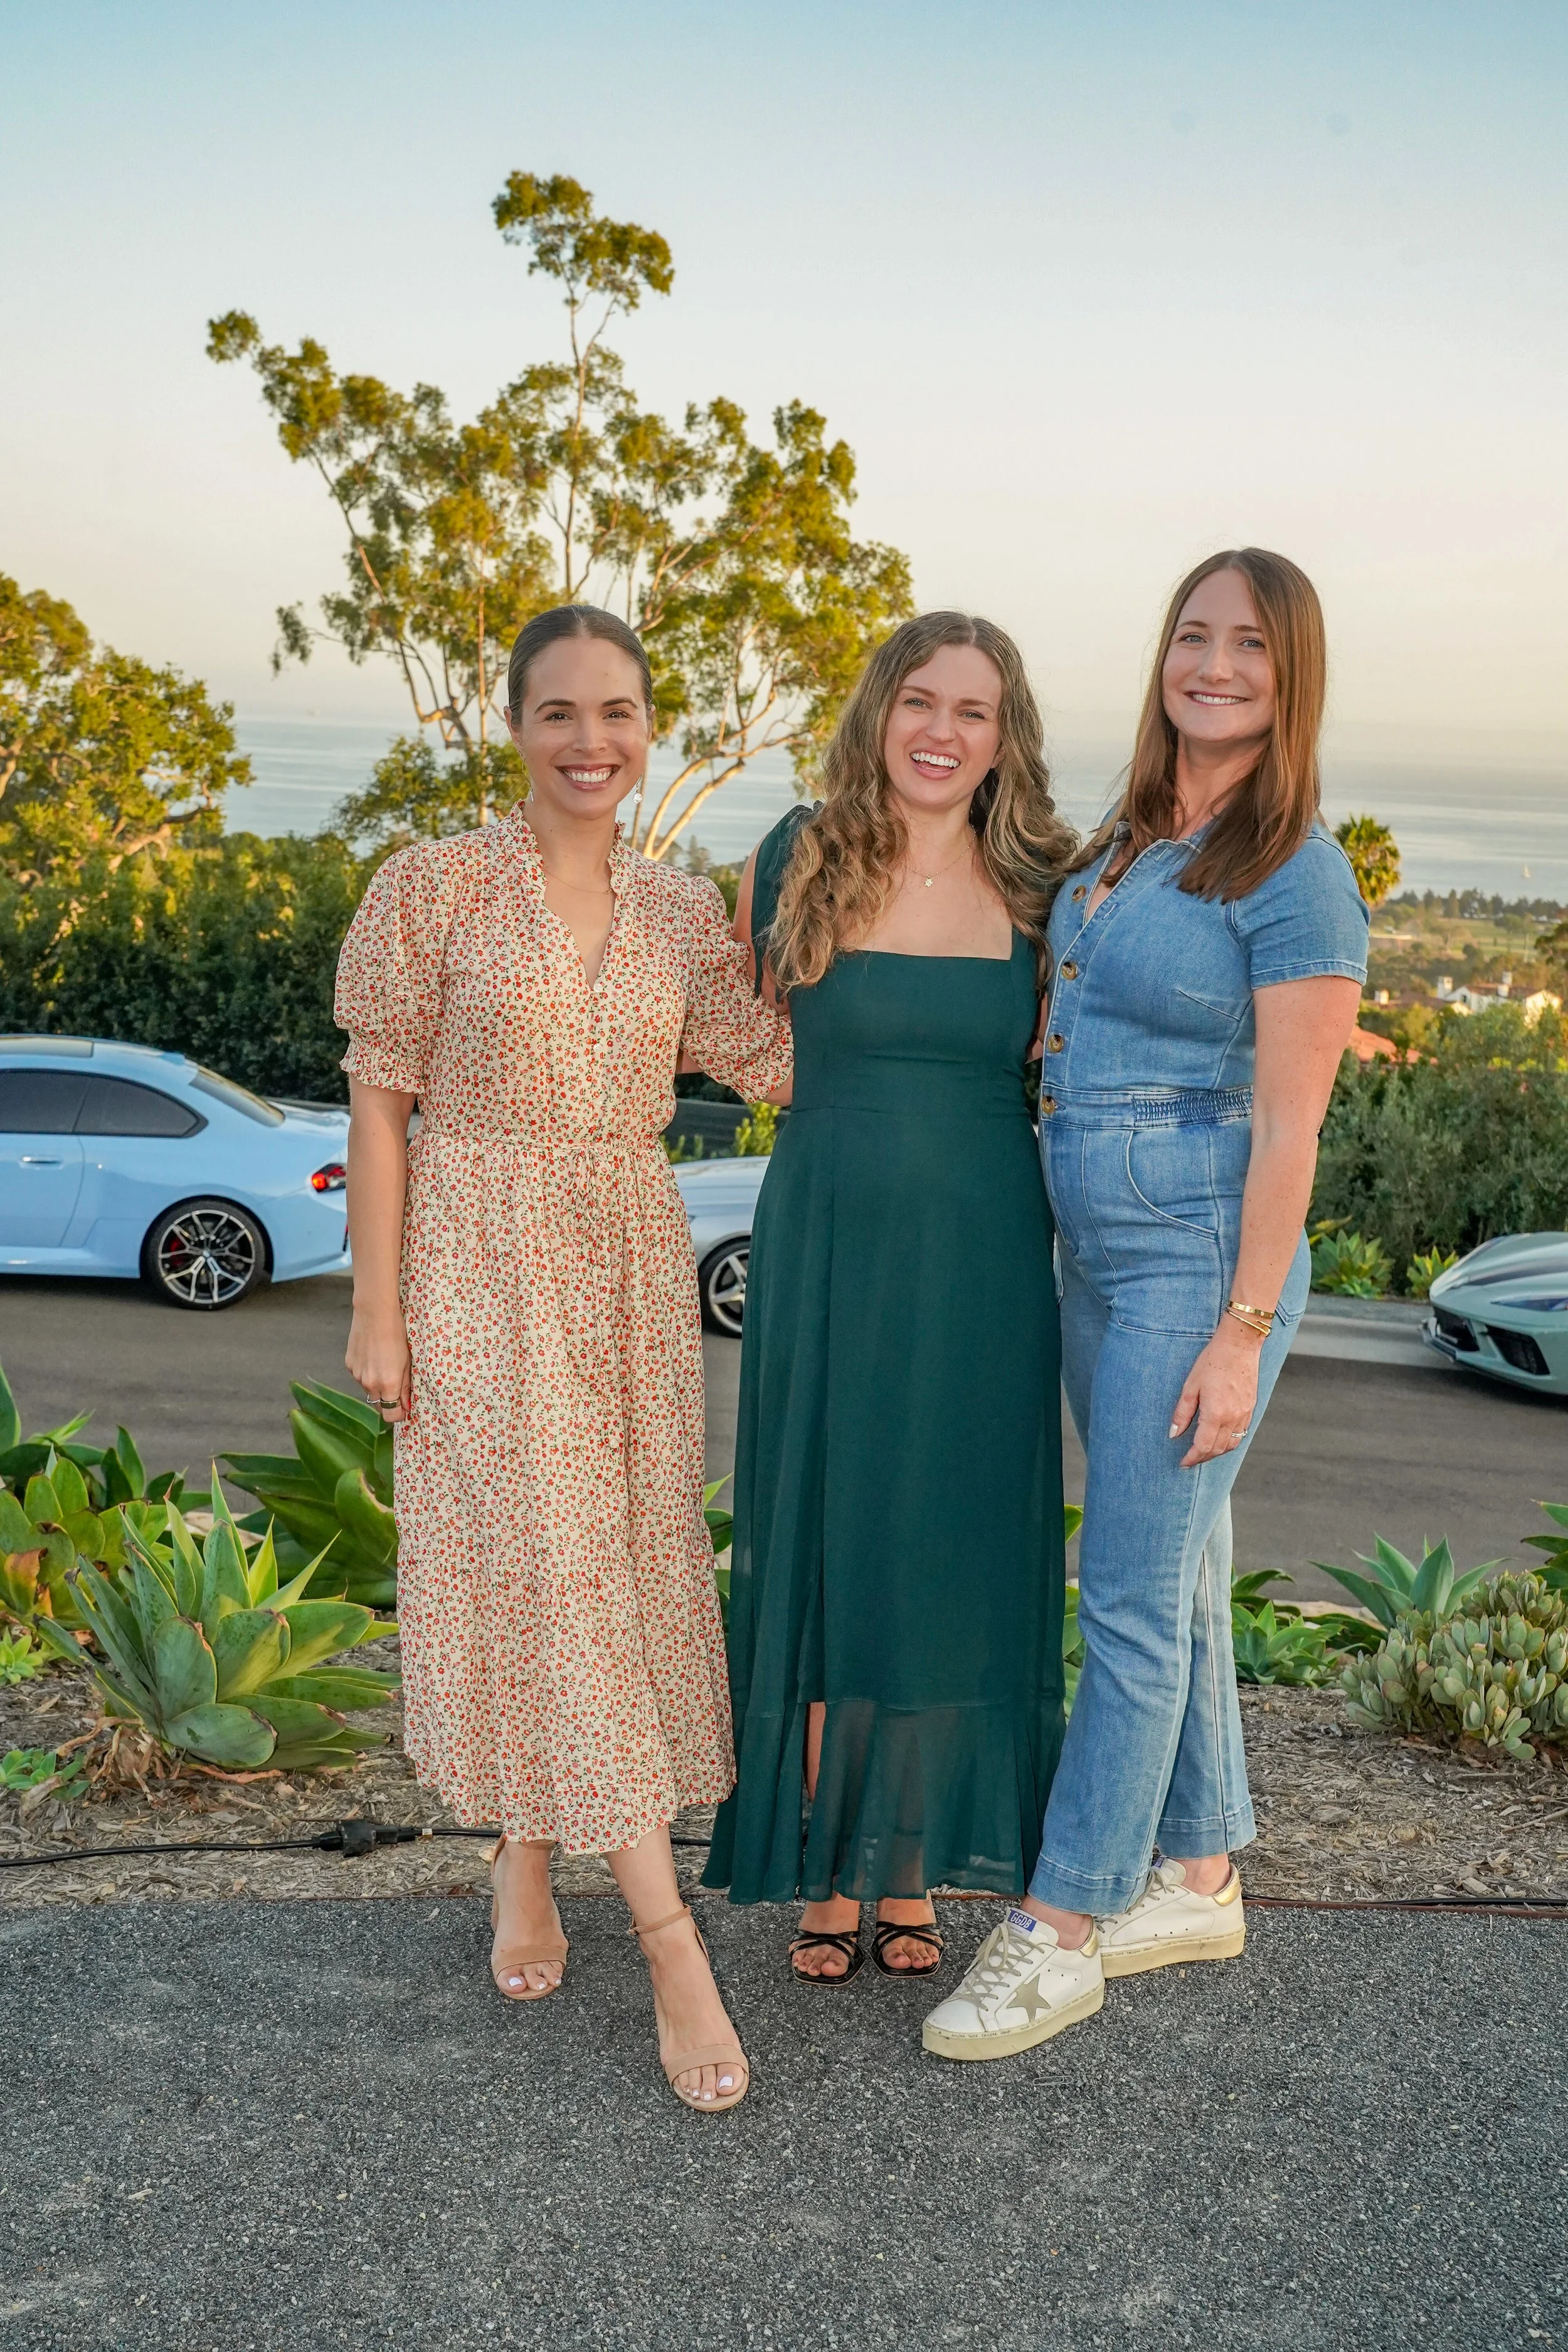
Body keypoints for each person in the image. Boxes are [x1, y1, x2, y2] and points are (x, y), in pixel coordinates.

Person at [335, 605, 792, 2114]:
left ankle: (525, 1855)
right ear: (513, 725)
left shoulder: (674, 917)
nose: (591, 742)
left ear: (650, 728)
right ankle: (668, 1941)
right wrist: (378, 1308)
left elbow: (777, 1056)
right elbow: (383, 1103)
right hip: (474, 1252)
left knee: (601, 1561)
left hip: (624, 1263)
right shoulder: (432, 888)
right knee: (535, 1562)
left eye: (617, 714)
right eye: (560, 714)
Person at [923, 549, 1368, 2062]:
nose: (1215, 664)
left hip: (1194, 1250)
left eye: (1250, 644)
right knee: (1170, 1579)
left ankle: (1058, 1928)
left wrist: (1242, 1332)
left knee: (1118, 1596)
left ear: (1286, 674)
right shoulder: (1122, 835)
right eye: (1194, 635)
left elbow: (1295, 1125)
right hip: (1089, 1239)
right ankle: (1194, 1872)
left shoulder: (1296, 863)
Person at [702, 612, 1079, 1982]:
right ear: (878, 712)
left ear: (1002, 737)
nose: (941, 731)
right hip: (827, 1243)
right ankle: (821, 1860)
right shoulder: (794, 855)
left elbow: (1074, 1066)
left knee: (941, 1553)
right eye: (919, 701)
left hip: (983, 1259)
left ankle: (908, 1867)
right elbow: (729, 1031)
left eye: (972, 712)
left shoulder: (1046, 886)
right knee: (828, 1535)